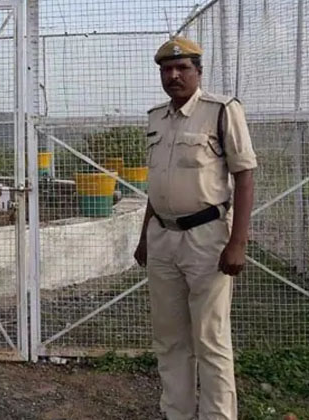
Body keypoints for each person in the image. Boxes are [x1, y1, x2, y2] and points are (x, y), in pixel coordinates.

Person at [134, 37, 256, 420]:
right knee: (169, 339)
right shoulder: (156, 117)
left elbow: (245, 175)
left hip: (207, 240)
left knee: (210, 339)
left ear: (198, 71)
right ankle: (178, 414)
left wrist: (238, 242)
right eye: (167, 70)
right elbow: (158, 185)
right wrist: (144, 238)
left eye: (182, 68)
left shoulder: (221, 111)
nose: (173, 75)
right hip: (162, 238)